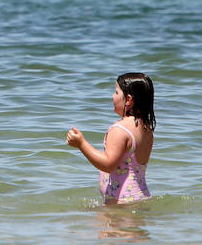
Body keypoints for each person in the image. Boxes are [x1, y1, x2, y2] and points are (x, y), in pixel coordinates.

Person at [66, 73, 155, 205]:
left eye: (116, 92)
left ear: (128, 99)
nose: (112, 96)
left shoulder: (119, 130)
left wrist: (81, 144)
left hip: (120, 203)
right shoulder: (146, 129)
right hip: (140, 197)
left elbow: (108, 164)